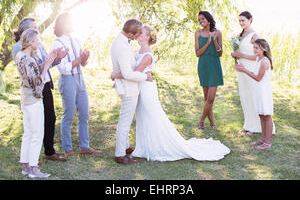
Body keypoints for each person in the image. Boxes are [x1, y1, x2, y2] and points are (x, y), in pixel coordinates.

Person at [112, 24, 230, 162]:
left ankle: (156, 146)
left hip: (147, 90)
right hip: (139, 88)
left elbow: (135, 73)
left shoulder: (147, 55)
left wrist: (116, 75)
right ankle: (143, 145)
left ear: (147, 37)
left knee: (152, 118)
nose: (138, 33)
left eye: (141, 32)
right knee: (143, 118)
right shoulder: (137, 50)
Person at [12, 17, 68, 162]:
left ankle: (49, 151)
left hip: (45, 84)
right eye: (34, 28)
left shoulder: (37, 43)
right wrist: (48, 61)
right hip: (35, 87)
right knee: (34, 126)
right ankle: (32, 158)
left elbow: (44, 64)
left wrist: (56, 58)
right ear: (25, 31)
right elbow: (32, 71)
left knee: (50, 118)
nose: (38, 31)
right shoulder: (18, 48)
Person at [51, 12, 101, 157]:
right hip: (67, 80)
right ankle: (67, 148)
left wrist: (85, 58)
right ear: (63, 24)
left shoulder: (77, 40)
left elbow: (82, 64)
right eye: (70, 21)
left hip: (80, 78)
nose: (73, 23)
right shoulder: (57, 43)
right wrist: (80, 59)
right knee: (69, 114)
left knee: (84, 114)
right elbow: (64, 68)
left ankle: (85, 146)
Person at [15, 28, 57, 178]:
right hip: (33, 100)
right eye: (37, 40)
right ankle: (33, 169)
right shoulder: (29, 60)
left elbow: (31, 75)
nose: (39, 42)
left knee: (28, 133)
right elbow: (38, 84)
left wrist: (45, 63)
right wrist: (46, 66)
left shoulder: (20, 56)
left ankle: (25, 166)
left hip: (25, 98)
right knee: (37, 134)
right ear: (31, 41)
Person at [110, 19, 149, 164]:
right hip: (128, 87)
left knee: (125, 119)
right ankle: (120, 154)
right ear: (131, 33)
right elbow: (127, 74)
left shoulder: (122, 41)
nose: (137, 36)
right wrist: (145, 76)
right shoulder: (121, 46)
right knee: (125, 122)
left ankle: (125, 147)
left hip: (128, 86)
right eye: (137, 34)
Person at [235, 39, 274, 150]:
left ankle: (267, 143)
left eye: (256, 48)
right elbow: (255, 74)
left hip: (264, 92)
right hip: (258, 90)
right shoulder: (258, 59)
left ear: (263, 49)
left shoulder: (265, 61)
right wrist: (243, 70)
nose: (254, 49)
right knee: (261, 115)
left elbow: (258, 78)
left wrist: (244, 70)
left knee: (267, 115)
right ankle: (263, 138)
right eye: (254, 47)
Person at [195, 11, 224, 130]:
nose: (201, 22)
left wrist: (214, 41)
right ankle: (211, 121)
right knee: (207, 98)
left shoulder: (218, 32)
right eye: (199, 20)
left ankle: (201, 120)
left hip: (214, 64)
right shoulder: (197, 33)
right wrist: (208, 42)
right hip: (203, 65)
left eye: (203, 19)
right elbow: (197, 53)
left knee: (211, 98)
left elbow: (220, 53)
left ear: (208, 19)